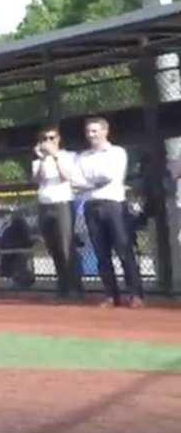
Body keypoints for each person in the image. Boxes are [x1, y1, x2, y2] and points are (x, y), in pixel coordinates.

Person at [74, 117, 143, 308]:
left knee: (124, 250)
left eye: (95, 131)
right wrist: (90, 182)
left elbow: (109, 177)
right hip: (91, 206)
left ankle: (136, 294)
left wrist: (88, 182)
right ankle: (111, 295)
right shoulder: (82, 156)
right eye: (89, 131)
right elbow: (75, 181)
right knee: (101, 254)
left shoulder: (117, 152)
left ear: (105, 131)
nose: (91, 135)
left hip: (114, 205)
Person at [32, 126, 81, 300]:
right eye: (44, 139)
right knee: (53, 247)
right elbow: (37, 179)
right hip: (45, 204)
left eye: (52, 138)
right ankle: (63, 286)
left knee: (66, 245)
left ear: (58, 139)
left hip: (62, 203)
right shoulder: (39, 160)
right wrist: (42, 158)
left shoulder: (68, 156)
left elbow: (66, 176)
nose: (48, 142)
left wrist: (54, 155)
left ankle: (75, 287)